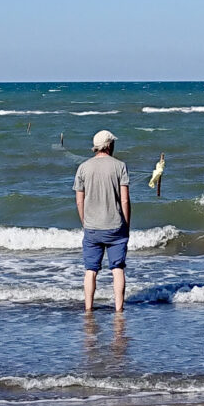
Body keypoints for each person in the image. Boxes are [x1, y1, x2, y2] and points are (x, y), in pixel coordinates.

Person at [74, 129, 131, 311]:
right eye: (112, 143)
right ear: (108, 145)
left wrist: (84, 222)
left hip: (91, 227)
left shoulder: (83, 167)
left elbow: (79, 200)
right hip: (115, 226)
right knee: (117, 269)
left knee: (90, 270)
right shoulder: (120, 166)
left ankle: (89, 308)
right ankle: (119, 309)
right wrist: (126, 225)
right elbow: (124, 200)